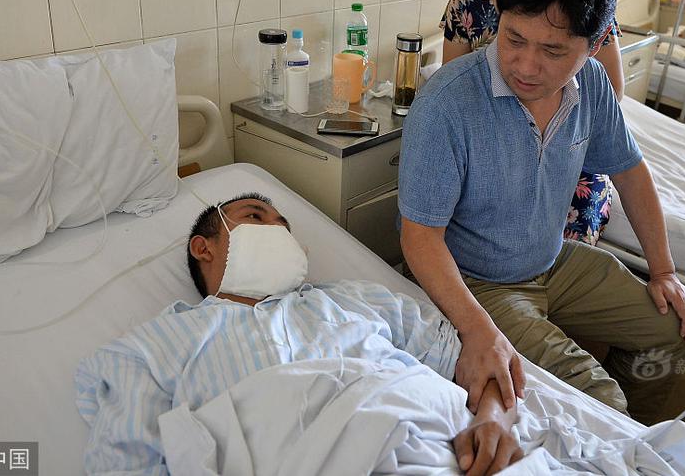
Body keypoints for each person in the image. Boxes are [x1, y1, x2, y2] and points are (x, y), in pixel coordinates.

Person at [399, 0, 685, 426]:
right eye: (514, 39)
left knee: (671, 329)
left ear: (595, 44)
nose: (525, 66)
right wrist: (477, 329)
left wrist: (664, 271)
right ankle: (614, 427)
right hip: (478, 282)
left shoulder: (593, 85)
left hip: (552, 261)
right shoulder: (447, 104)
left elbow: (629, 171)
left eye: (553, 51)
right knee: (603, 401)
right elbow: (419, 237)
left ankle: (629, 438)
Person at [75, 193, 522, 476]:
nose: (276, 228)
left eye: (284, 226)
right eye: (256, 216)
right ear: (203, 248)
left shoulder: (357, 299)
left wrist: (492, 421)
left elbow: (479, 359)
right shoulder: (156, 345)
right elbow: (125, 460)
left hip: (439, 447)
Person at [440, 0, 624, 246]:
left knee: (564, 236)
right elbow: (450, 85)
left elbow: (612, 90)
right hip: (490, 146)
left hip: (562, 147)